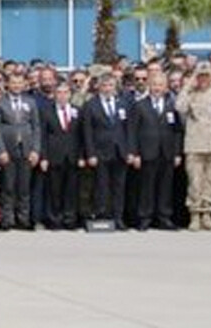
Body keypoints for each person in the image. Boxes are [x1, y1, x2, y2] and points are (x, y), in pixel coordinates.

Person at [175, 62, 211, 231]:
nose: (204, 79)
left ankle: (207, 215)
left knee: (210, 183)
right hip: (195, 146)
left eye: (207, 76)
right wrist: (188, 85)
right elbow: (179, 107)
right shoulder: (191, 95)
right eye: (201, 76)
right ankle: (194, 215)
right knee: (195, 183)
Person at [127, 72, 182, 230]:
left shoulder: (172, 105)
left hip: (167, 152)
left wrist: (177, 153)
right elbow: (132, 131)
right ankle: (145, 217)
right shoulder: (139, 105)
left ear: (165, 87)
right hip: (147, 152)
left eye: (160, 85)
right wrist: (135, 153)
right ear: (149, 86)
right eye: (154, 84)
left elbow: (177, 131)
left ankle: (164, 217)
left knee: (165, 187)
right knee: (146, 187)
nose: (157, 88)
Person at [0, 72, 42, 230]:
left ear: (24, 84)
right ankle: (7, 219)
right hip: (8, 149)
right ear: (8, 84)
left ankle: (23, 219)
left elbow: (36, 128)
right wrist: (1, 150)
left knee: (24, 187)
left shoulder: (30, 102)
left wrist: (35, 150)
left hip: (26, 149)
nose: (17, 86)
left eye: (19, 83)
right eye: (13, 83)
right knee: (8, 186)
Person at [81, 74, 130, 229]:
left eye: (111, 85)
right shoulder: (90, 105)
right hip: (100, 151)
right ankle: (102, 215)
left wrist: (130, 151)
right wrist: (91, 154)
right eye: (105, 85)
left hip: (120, 151)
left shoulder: (123, 103)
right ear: (99, 87)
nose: (108, 88)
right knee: (101, 186)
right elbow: (87, 132)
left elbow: (129, 129)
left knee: (119, 187)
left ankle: (118, 217)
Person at [40, 82, 84, 230]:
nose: (62, 96)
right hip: (54, 156)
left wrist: (81, 156)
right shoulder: (47, 111)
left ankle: (70, 219)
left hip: (72, 156)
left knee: (71, 190)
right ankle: (55, 219)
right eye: (59, 92)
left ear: (70, 95)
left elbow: (82, 135)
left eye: (65, 92)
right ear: (54, 94)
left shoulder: (77, 111)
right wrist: (44, 157)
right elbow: (43, 136)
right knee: (54, 190)